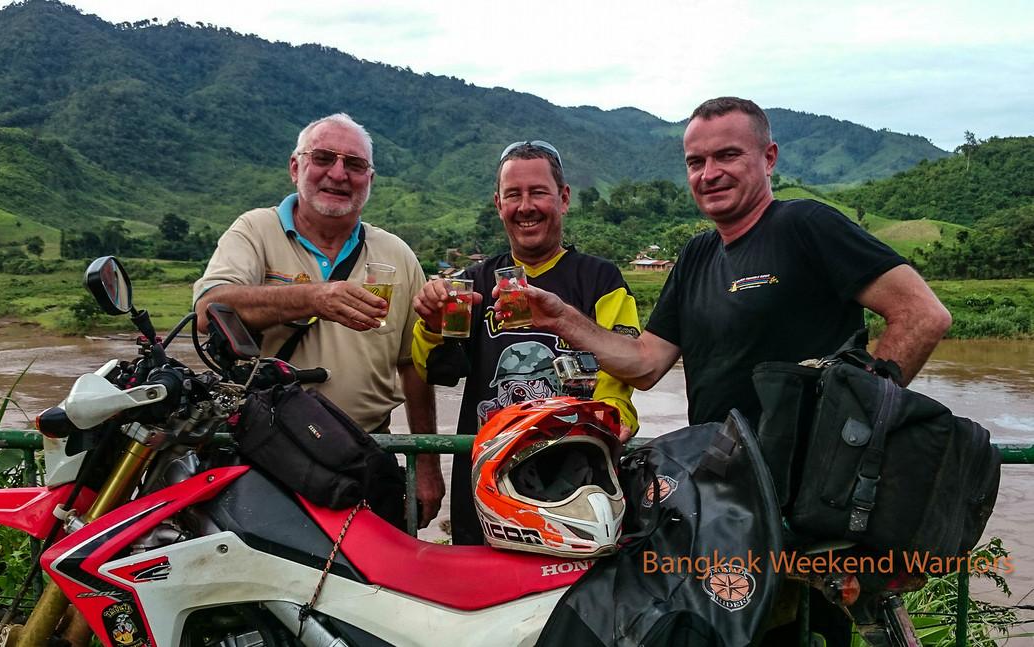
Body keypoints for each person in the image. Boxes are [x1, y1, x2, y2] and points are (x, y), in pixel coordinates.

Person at [515, 97, 951, 646]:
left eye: (727, 155)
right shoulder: (697, 255)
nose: (709, 173)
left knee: (801, 635)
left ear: (768, 158)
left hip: (804, 510)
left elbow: (922, 315)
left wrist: (855, 436)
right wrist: (564, 319)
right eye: (696, 162)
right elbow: (646, 364)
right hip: (724, 503)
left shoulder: (805, 225)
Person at [193, 113, 445, 528]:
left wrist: (427, 463)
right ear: (296, 167)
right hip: (266, 455)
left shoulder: (397, 254)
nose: (339, 174)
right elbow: (209, 310)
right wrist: (314, 297)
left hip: (364, 457)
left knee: (367, 567)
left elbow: (412, 365)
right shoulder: (255, 230)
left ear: (369, 179)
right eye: (324, 158)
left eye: (355, 165)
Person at [411, 140, 640, 546]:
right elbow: (438, 371)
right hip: (486, 480)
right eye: (513, 194)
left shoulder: (600, 280)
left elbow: (620, 370)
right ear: (498, 203)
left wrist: (613, 415)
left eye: (538, 192)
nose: (525, 206)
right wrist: (431, 324)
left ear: (563, 198)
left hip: (576, 476)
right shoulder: (474, 283)